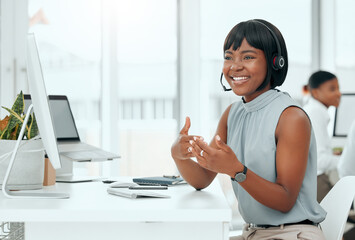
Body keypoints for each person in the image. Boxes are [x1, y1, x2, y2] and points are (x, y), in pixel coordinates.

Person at [171, 19, 326, 239]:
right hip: (253, 233)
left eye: (248, 57)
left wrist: (236, 170)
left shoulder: (291, 117)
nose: (235, 66)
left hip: (293, 233)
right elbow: (203, 179)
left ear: (275, 62)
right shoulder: (232, 114)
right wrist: (179, 155)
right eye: (228, 57)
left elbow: (285, 200)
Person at [303, 71, 341, 203]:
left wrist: (334, 155)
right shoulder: (315, 112)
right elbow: (319, 160)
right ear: (316, 93)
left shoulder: (313, 109)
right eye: (332, 89)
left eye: (338, 88)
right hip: (316, 181)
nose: (338, 93)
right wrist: (345, 159)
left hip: (314, 179)